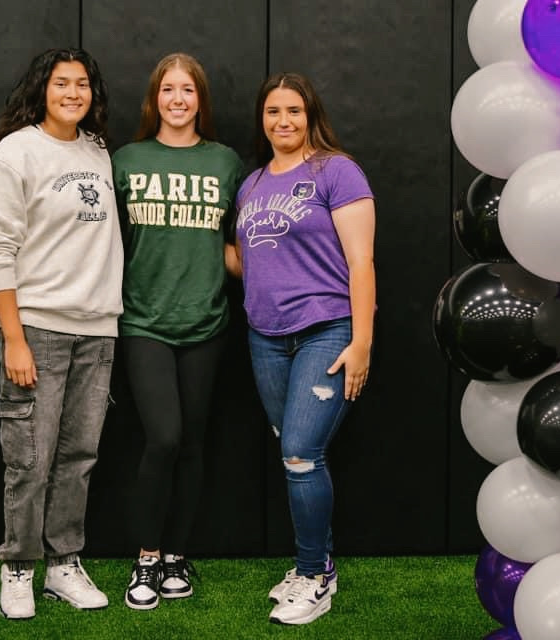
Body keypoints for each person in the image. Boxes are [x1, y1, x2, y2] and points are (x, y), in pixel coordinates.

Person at [0, 47, 123, 620]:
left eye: (82, 84)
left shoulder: (98, 151)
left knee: (78, 457)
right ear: (42, 90)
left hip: (99, 328)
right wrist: (13, 337)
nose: (73, 93)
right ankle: (18, 567)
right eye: (62, 84)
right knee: (29, 461)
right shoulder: (15, 155)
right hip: (37, 327)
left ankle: (64, 566)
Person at [228, 72, 375, 626]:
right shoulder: (252, 183)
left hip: (327, 329)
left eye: (293, 110)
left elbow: (361, 261)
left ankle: (313, 575)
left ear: (309, 114)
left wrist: (362, 341)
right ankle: (318, 562)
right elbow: (246, 261)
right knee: (294, 452)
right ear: (262, 119)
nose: (282, 121)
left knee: (299, 454)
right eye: (272, 112)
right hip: (265, 336)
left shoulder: (336, 170)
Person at [111, 52, 244, 611]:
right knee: (162, 437)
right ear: (155, 98)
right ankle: (145, 559)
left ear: (200, 100)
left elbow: (242, 241)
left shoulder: (226, 162)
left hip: (206, 322)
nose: (178, 99)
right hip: (143, 322)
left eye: (188, 90)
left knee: (191, 445)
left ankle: (175, 557)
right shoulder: (126, 159)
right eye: (169, 89)